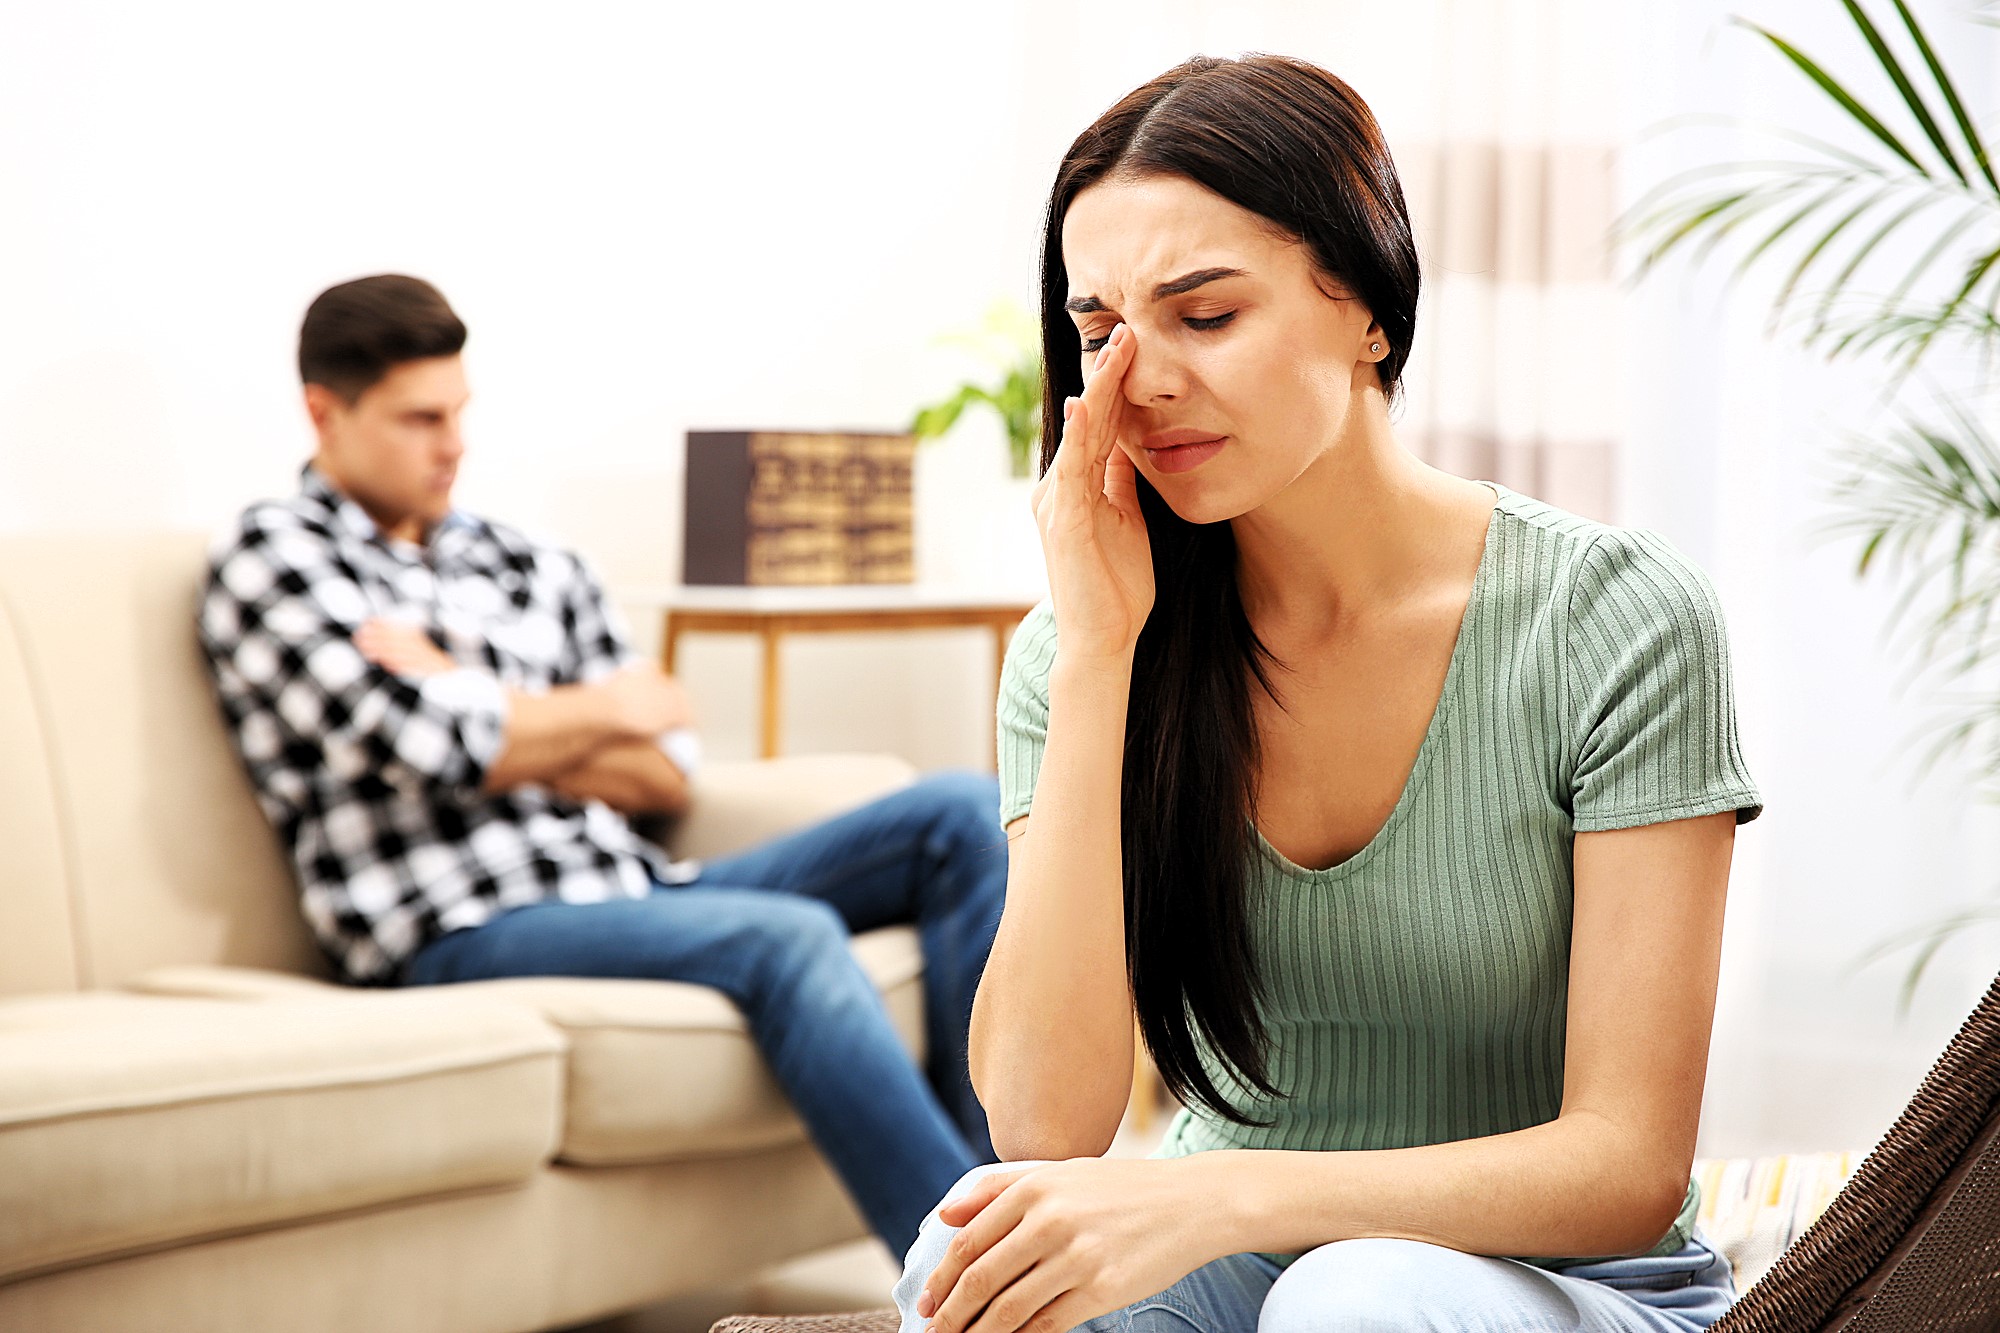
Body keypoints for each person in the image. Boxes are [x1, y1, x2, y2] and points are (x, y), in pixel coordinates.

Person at [896, 53, 1761, 1333]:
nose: (1142, 382)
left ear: (1365, 304)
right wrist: (1093, 659)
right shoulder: (1087, 647)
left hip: (1567, 1287)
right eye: (1097, 333)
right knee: (964, 1260)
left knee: (1353, 1296)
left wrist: (1218, 1200)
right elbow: (1042, 1125)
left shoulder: (1612, 620)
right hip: (1249, 1268)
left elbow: (1624, 1168)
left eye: (1205, 315)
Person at [199, 274, 1002, 1256]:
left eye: (458, 411)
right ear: (324, 410)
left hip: (631, 882)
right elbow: (422, 741)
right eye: (419, 419)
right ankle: (980, 1286)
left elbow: (662, 769)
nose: (453, 444)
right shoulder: (274, 555)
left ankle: (1005, 1208)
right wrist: (585, 717)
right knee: (784, 938)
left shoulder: (526, 560)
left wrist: (472, 695)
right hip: (455, 927)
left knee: (962, 812)